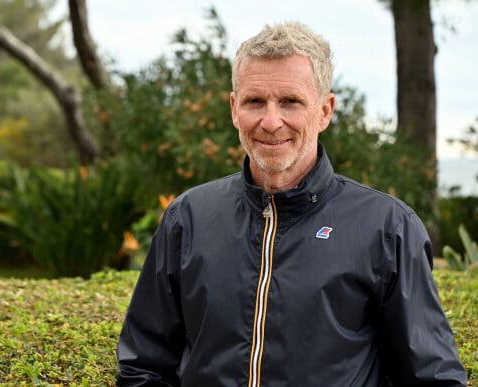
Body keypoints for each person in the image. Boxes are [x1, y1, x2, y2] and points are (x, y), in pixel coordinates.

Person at [116, 21, 467, 386]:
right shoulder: (187, 218)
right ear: (235, 109)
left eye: (290, 102)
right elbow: (143, 365)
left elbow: (433, 378)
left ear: (325, 111)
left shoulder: (387, 228)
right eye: (255, 102)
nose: (270, 121)